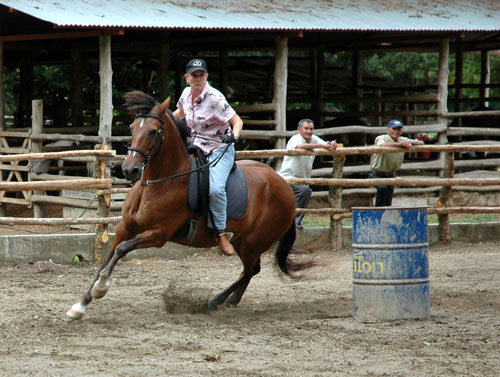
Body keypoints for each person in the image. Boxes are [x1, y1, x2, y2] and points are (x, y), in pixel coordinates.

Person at [173, 58, 243, 256]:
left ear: (206, 76)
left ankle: (221, 234)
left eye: (201, 74)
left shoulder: (215, 98)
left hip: (219, 148)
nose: (197, 78)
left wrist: (234, 136)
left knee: (215, 189)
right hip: (195, 145)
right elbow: (179, 113)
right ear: (187, 78)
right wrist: (165, 123)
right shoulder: (186, 94)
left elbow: (237, 120)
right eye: (193, 75)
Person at [278, 119, 337, 229]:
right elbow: (299, 146)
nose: (309, 131)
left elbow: (326, 145)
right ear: (299, 129)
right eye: (306, 128)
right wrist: (321, 145)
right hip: (288, 178)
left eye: (311, 129)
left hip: (303, 180)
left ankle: (293, 222)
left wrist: (332, 145)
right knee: (305, 192)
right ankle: (295, 222)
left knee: (303, 192)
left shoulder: (313, 139)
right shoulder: (295, 138)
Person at [369, 119, 424, 206]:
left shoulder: (402, 139)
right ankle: (378, 212)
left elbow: (421, 142)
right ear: (388, 130)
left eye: (398, 129)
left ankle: (386, 213)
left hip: (390, 173)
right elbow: (383, 145)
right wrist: (401, 144)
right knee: (382, 188)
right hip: (376, 173)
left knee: (388, 194)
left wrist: (410, 143)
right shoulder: (381, 138)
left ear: (401, 131)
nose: (396, 131)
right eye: (394, 129)